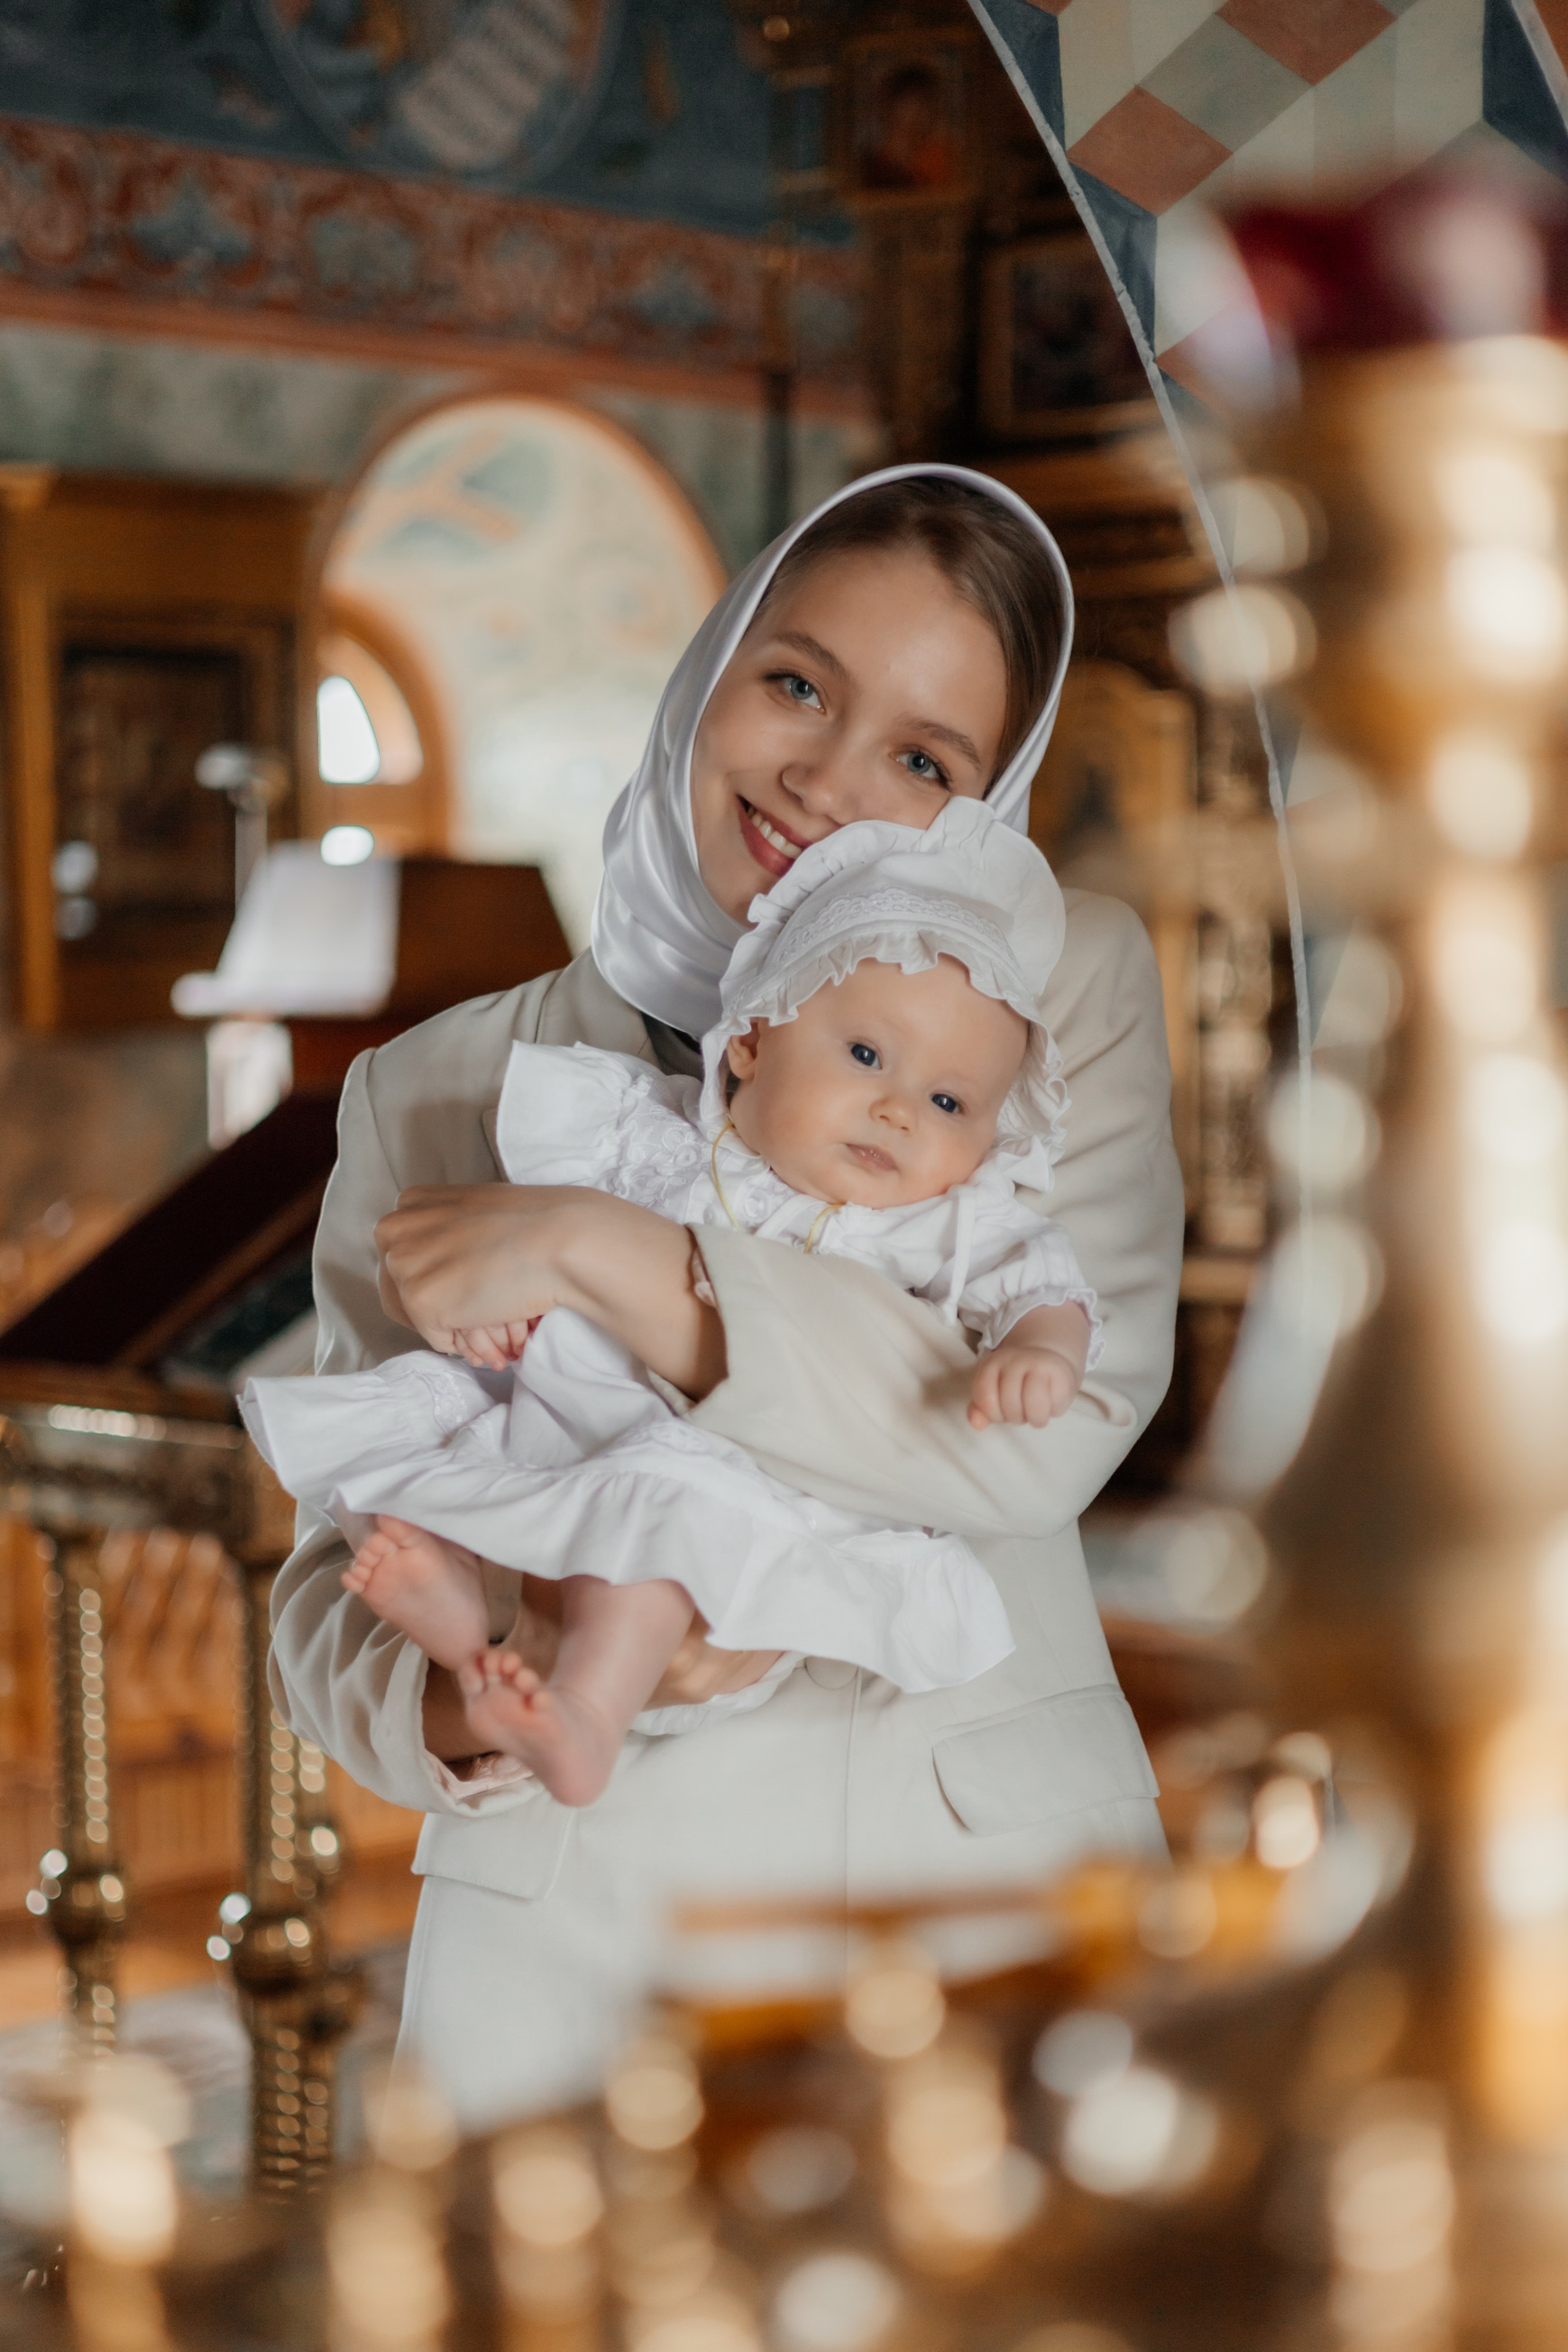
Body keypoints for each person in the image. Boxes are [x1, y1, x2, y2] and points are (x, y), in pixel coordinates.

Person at [268, 465, 1185, 2126]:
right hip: (582, 1950)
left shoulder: (1056, 998)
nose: (825, 781)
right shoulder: (438, 1083)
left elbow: (1033, 1447)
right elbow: (336, 1565)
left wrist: (605, 1256)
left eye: (923, 759)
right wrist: (485, 1695)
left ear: (985, 808)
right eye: (796, 685)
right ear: (708, 674)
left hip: (972, 1905)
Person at [245, 803, 1101, 1805]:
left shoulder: (934, 1222)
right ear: (749, 1045)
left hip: (709, 1467)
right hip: (555, 1418)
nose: (900, 1109)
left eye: (951, 1104)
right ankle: (464, 1619)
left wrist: (1042, 1350)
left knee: (652, 1535)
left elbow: (1046, 1285)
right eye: (866, 1056)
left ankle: (582, 1718)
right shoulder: (648, 1137)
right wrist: (452, 1312)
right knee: (433, 1432)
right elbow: (467, 1249)